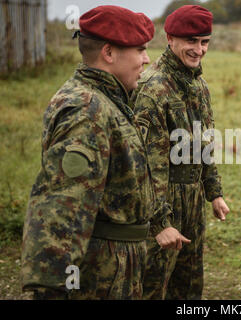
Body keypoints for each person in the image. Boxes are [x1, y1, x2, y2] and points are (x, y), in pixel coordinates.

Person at [20, 5, 157, 299]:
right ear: (109, 53)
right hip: (100, 273)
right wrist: (53, 288)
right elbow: (62, 209)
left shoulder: (108, 99)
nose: (147, 59)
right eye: (140, 50)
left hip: (116, 264)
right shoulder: (87, 111)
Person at [132, 5, 229, 300]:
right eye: (191, 41)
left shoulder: (198, 85)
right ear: (170, 38)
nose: (199, 49)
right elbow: (148, 167)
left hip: (193, 202)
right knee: (153, 286)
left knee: (188, 287)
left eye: (204, 42)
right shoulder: (153, 88)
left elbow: (205, 142)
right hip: (162, 203)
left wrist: (214, 192)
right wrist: (160, 221)